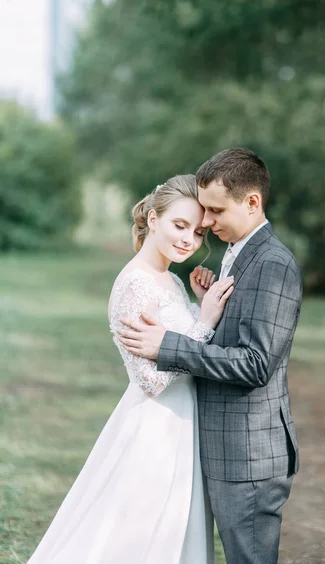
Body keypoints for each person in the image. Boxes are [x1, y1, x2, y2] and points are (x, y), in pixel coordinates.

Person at [27, 174, 234, 564]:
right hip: (154, 428)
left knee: (174, 533)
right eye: (179, 225)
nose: (189, 239)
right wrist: (204, 321)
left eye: (197, 232)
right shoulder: (135, 284)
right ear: (153, 219)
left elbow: (182, 345)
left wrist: (200, 304)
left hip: (183, 423)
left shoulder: (170, 279)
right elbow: (150, 379)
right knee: (135, 537)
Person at [118, 147, 303, 564]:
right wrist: (206, 312)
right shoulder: (237, 255)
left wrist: (169, 344)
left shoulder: (274, 264)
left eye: (215, 211)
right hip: (218, 445)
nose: (206, 221)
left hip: (248, 454)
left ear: (252, 202)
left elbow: (255, 363)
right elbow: (235, 336)